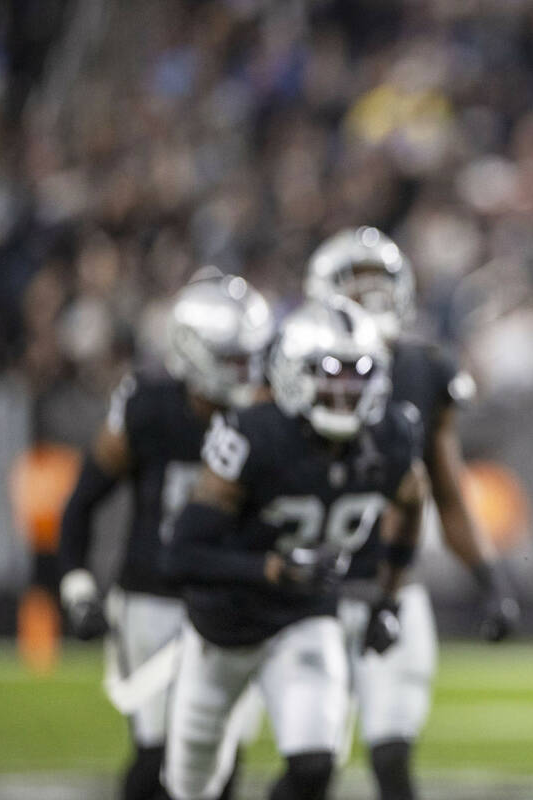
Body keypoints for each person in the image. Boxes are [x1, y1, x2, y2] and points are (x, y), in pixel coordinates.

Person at [161, 295, 426, 800]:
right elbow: (181, 556)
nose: (345, 389)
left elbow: (413, 505)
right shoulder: (254, 435)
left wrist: (388, 599)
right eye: (330, 372)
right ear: (291, 373)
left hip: (303, 617)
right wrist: (270, 569)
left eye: (358, 373)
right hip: (221, 628)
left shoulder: (391, 436)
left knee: (315, 765)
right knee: (190, 788)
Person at [305, 226, 520, 799]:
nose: (373, 299)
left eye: (382, 285)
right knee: (310, 763)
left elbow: (447, 490)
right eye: (358, 287)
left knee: (392, 757)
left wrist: (489, 577)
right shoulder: (296, 365)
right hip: (309, 594)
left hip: (390, 587)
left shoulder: (423, 368)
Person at [57, 271, 274, 800]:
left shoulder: (267, 416)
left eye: (250, 356)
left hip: (228, 601)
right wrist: (77, 585)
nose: (245, 371)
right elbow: (83, 499)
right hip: (151, 598)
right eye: (231, 357)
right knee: (156, 754)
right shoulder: (148, 406)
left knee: (219, 755)